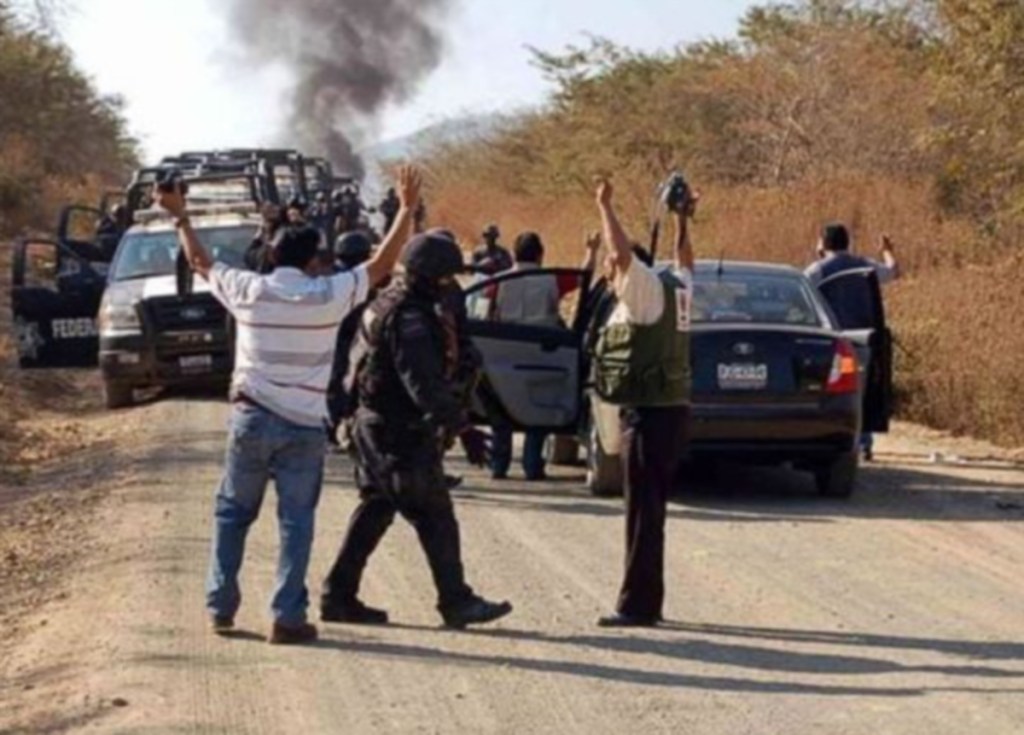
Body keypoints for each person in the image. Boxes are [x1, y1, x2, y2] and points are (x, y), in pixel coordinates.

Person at [157, 166, 422, 646]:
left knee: (233, 513)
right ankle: (287, 616)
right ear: (315, 259)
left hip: (251, 419)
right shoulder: (329, 295)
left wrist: (180, 216)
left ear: (272, 253)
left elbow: (199, 262)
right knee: (296, 524)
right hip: (303, 427)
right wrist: (405, 209)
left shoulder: (249, 290)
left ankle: (220, 606)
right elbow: (382, 267)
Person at [320, 232, 512, 630]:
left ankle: (337, 595)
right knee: (435, 514)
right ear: (431, 277)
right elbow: (422, 384)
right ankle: (456, 600)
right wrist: (464, 428)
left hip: (372, 425)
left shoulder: (386, 301)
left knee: (376, 508)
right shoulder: (410, 317)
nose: (450, 286)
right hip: (397, 432)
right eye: (446, 278)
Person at [591, 176, 695, 628]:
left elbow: (625, 256)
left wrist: (604, 206)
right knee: (649, 510)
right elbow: (686, 259)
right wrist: (682, 220)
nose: (609, 274)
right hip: (670, 411)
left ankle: (638, 605)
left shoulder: (644, 291)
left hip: (650, 416)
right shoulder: (676, 286)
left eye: (611, 268)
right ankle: (644, 598)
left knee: (643, 513)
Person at [804, 224, 900, 461]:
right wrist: (887, 250)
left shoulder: (818, 269)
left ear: (824, 243)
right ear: (847, 243)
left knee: (838, 392)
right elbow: (893, 271)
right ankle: (865, 442)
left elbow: (803, 293)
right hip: (864, 339)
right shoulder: (863, 265)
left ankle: (840, 440)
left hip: (834, 343)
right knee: (862, 390)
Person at [490, 231, 561, 481]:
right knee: (536, 407)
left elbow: (493, 313)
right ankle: (532, 466)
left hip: (504, 349)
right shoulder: (549, 280)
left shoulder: (500, 280)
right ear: (540, 254)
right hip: (539, 350)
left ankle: (499, 465)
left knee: (502, 408)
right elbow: (555, 309)